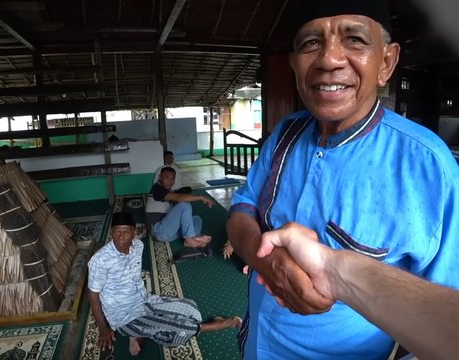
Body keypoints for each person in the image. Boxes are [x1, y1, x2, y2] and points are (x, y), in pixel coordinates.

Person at [226, 1, 459, 359]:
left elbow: (447, 322)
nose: (329, 59)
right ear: (295, 65)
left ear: (386, 62)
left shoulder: (429, 167)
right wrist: (265, 261)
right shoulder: (286, 134)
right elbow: (241, 209)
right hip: (258, 342)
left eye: (354, 39)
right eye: (311, 43)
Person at [256, 222, 459, 360]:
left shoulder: (440, 177)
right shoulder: (279, 156)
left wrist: (330, 270)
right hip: (259, 336)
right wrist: (328, 268)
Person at [88, 212, 241, 356]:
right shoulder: (100, 260)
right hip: (123, 315)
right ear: (111, 232)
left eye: (126, 232)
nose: (120, 237)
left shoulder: (138, 246)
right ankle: (219, 325)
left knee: (191, 308)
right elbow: (93, 296)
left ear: (134, 232)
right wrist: (103, 329)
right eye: (116, 232)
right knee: (180, 330)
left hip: (144, 300)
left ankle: (137, 333)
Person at [146, 166, 214, 248]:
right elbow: (179, 198)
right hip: (159, 232)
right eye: (166, 178)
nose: (170, 182)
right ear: (160, 177)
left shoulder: (168, 190)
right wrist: (200, 197)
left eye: (172, 179)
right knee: (184, 205)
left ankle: (193, 238)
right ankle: (190, 239)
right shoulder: (156, 189)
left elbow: (176, 206)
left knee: (197, 219)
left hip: (170, 233)